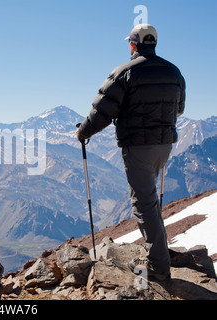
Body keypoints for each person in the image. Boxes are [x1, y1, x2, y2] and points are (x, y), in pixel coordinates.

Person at [76, 24, 186, 281]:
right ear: (154, 44)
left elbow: (103, 111)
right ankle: (160, 252)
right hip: (165, 145)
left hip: (138, 147)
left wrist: (83, 132)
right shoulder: (174, 72)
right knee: (150, 200)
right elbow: (179, 109)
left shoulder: (124, 73)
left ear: (133, 45)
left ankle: (159, 265)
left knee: (143, 203)